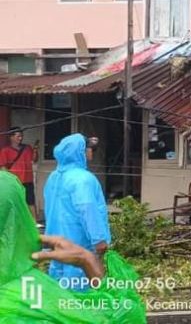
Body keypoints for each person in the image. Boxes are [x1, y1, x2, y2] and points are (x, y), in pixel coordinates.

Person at [0, 170, 147, 322]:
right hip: (68, 249)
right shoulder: (84, 179)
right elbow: (124, 315)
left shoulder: (53, 177)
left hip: (53, 253)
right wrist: (88, 257)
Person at [43, 133, 110, 291]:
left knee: (59, 289)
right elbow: (88, 210)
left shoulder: (53, 177)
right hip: (79, 244)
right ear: (80, 152)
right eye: (88, 148)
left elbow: (49, 209)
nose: (91, 152)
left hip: (58, 243)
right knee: (80, 289)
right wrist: (99, 239)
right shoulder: (83, 179)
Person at [0, 128, 37, 220]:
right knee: (14, 202)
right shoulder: (5, 150)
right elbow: (3, 167)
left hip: (28, 180)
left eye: (21, 136)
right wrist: (9, 180)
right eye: (18, 136)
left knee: (30, 202)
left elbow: (34, 159)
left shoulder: (27, 148)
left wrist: (36, 150)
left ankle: (35, 223)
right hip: (14, 181)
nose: (20, 138)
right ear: (11, 137)